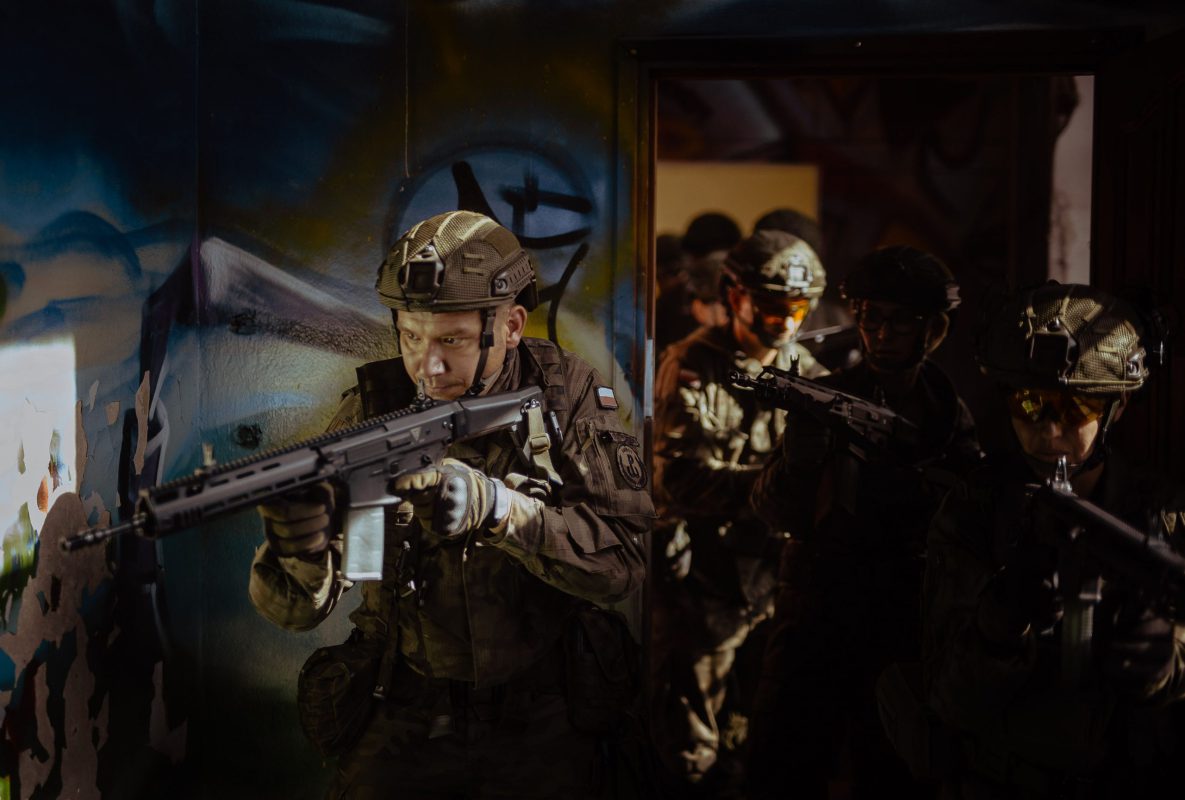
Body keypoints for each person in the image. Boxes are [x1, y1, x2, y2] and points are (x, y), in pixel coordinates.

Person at [247, 210, 653, 799]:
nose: (427, 365)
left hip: (542, 711)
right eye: (411, 337)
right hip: (406, 704)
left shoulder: (569, 395)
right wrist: (303, 552)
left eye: (452, 340)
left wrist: (499, 511)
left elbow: (622, 568)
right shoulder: (376, 411)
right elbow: (298, 611)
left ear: (511, 326)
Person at [921, 281, 1185, 797]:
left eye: (1076, 408)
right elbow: (946, 701)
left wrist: (1163, 665)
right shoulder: (975, 509)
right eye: (1029, 404)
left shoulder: (1166, 514)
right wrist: (998, 629)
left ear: (1118, 407)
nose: (1048, 431)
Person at [746, 245, 981, 799]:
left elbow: (971, 521)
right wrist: (800, 462)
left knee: (894, 770)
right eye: (872, 318)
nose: (882, 333)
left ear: (935, 330)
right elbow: (774, 510)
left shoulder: (948, 416)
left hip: (905, 617)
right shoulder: (832, 399)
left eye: (901, 321)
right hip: (820, 607)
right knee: (782, 763)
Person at [650, 229, 828, 795]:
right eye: (773, 307)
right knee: (691, 750)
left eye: (797, 309)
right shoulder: (693, 363)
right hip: (708, 582)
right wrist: (770, 487)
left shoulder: (812, 377)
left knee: (767, 738)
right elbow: (676, 479)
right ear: (735, 296)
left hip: (779, 585)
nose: (785, 322)